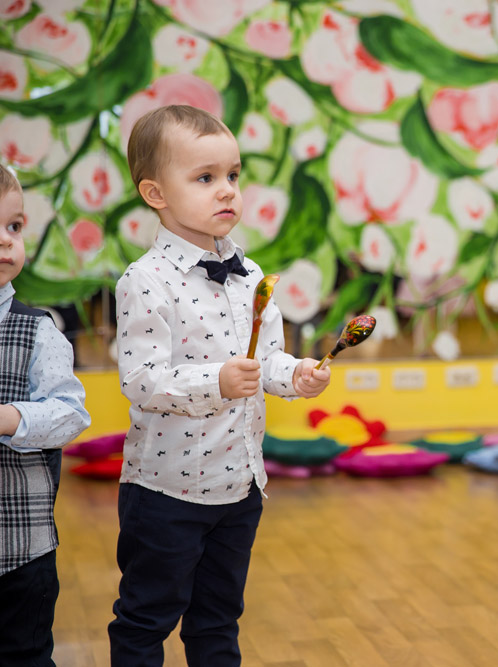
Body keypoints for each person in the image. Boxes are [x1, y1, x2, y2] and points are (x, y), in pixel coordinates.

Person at [108, 105, 331, 666]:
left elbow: (266, 360)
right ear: (156, 194)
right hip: (166, 492)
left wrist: (297, 375)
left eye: (233, 175)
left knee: (218, 620)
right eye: (205, 178)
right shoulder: (145, 280)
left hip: (239, 487)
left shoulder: (251, 276)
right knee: (145, 618)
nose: (227, 190)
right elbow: (142, 379)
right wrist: (218, 380)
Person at [0, 165, 91, 666]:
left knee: (24, 655)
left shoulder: (39, 332)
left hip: (20, 549)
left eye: (14, 227)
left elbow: (70, 415)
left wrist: (8, 417)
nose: (5, 243)